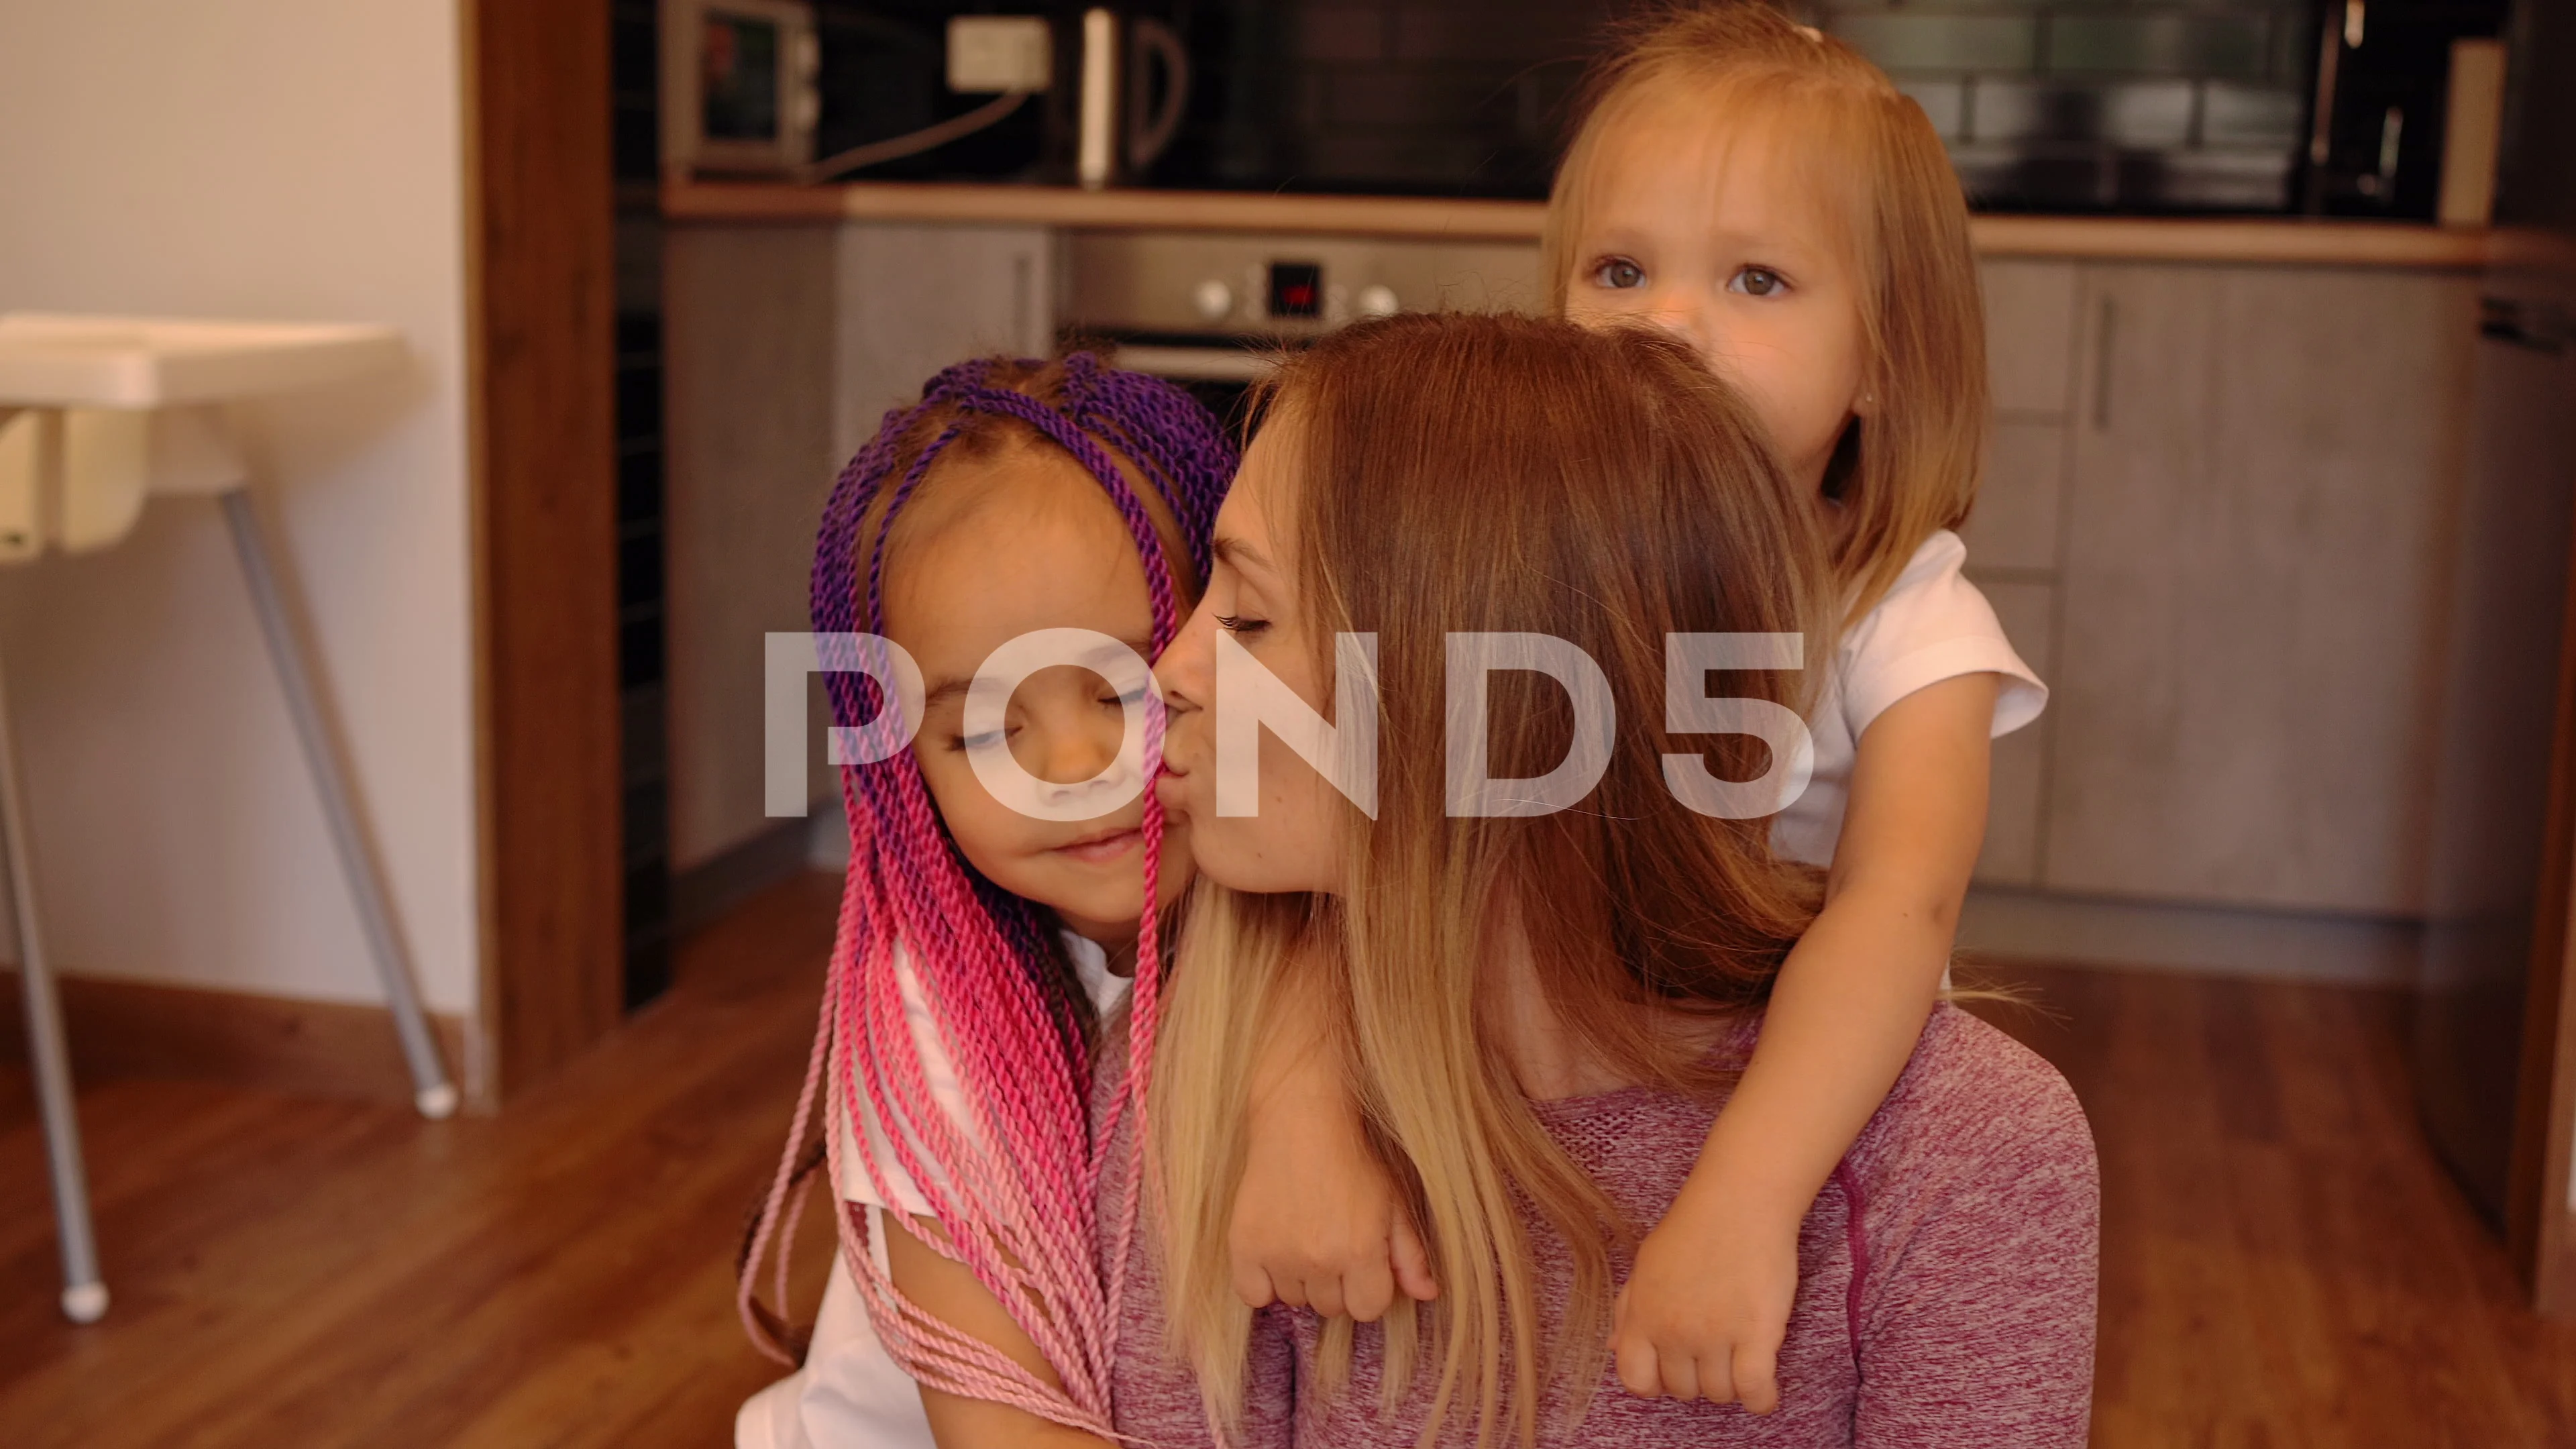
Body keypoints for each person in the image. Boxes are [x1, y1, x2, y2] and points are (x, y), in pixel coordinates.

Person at [1223, 5, 2051, 1414]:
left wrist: (1744, 1196)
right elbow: (1361, 842)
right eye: (1620, 269)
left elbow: (1895, 912)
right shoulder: (1525, 569)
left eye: (1758, 281)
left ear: (1888, 362)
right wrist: (1296, 1101)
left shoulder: (1907, 619)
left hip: (1743, 1096)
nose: (1669, 322)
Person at [1136, 310, 2098, 1447]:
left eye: (1248, 615)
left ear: (1489, 712)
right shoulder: (1206, 1081)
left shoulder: (1964, 1155)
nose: (1169, 670)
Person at [733, 353, 1232, 1449]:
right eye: (985, 730)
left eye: (1130, 686)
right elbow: (1004, 1431)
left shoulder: (1320, 934)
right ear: (905, 771)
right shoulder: (932, 1022)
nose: (1074, 765)